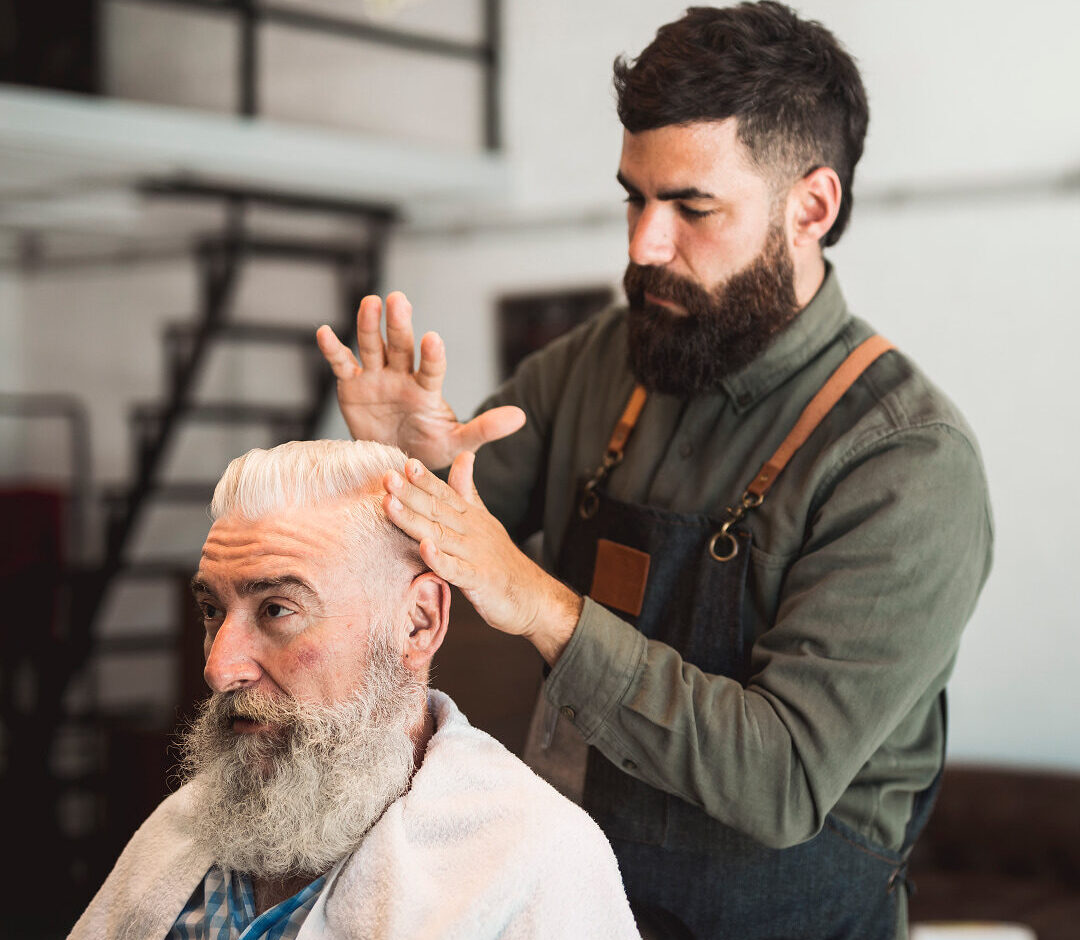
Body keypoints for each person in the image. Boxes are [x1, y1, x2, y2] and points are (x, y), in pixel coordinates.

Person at [315, 4, 994, 938]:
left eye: (691, 207)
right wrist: (405, 464)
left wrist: (537, 600)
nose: (643, 246)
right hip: (576, 904)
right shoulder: (601, 360)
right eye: (635, 197)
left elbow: (782, 778)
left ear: (812, 206)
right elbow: (426, 549)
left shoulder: (906, 463)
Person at [69, 439, 640, 940]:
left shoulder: (532, 858)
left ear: (417, 622)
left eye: (276, 609)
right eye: (212, 610)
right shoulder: (185, 824)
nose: (220, 669)